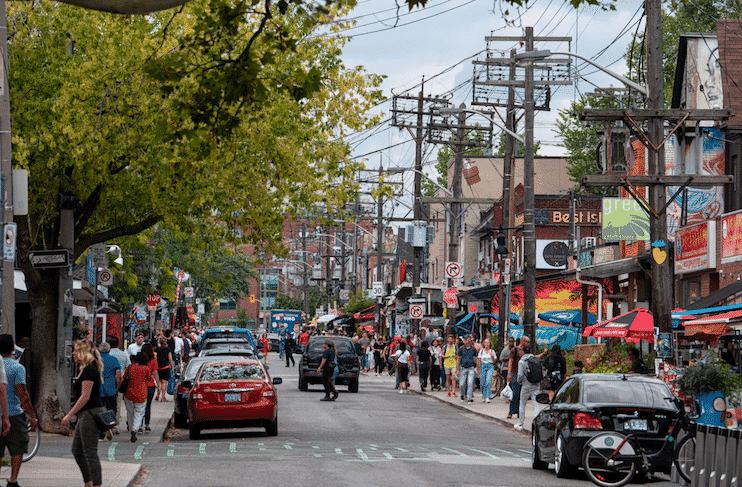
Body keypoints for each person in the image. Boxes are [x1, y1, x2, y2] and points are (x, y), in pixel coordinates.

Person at [62, 340, 105, 487]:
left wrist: (69, 415)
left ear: (83, 352)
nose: (73, 353)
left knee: (90, 453)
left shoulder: (89, 370)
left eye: (75, 351)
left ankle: (96, 484)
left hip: (90, 414)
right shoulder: (84, 369)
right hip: (85, 414)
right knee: (77, 450)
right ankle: (88, 482)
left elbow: (85, 396)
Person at [0, 335, 36, 487]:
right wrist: (32, 415)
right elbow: (22, 391)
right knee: (17, 448)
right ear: (13, 348)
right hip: (14, 413)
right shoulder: (17, 368)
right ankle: (13, 480)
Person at [123, 353, 154, 443]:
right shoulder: (146, 369)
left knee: (130, 413)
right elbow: (150, 378)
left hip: (128, 393)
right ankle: (135, 429)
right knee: (139, 413)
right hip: (141, 394)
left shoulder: (130, 367)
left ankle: (131, 429)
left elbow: (124, 377)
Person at [97, 342, 122, 439]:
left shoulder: (96, 360)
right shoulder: (113, 360)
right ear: (109, 350)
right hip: (111, 388)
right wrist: (118, 386)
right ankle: (109, 426)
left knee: (99, 409)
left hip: (98, 388)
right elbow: (118, 375)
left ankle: (101, 432)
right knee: (111, 409)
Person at [514, 345, 541, 431]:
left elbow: (520, 375)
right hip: (536, 384)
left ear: (523, 352)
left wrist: (519, 381)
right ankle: (537, 424)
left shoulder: (522, 361)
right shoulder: (536, 360)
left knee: (522, 403)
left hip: (526, 385)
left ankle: (520, 424)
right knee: (536, 404)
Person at [507, 336, 528, 419]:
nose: (528, 344)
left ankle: (519, 412)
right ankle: (511, 411)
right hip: (515, 373)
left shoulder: (526, 351)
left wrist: (542, 354)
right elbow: (510, 361)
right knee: (515, 393)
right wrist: (509, 373)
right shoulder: (515, 350)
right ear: (523, 341)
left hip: (523, 375)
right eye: (527, 342)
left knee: (521, 394)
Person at [141, 343, 157, 433]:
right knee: (148, 406)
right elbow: (155, 373)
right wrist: (158, 384)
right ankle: (147, 425)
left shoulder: (138, 360)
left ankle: (139, 425)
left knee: (139, 406)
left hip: (140, 385)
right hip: (150, 385)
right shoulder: (153, 360)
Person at [457, 334, 477, 403]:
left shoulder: (473, 349)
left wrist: (477, 369)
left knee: (470, 383)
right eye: (464, 339)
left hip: (471, 368)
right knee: (462, 384)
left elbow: (476, 358)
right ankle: (462, 395)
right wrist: (457, 369)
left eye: (466, 339)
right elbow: (458, 359)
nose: (465, 340)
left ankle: (469, 398)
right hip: (463, 368)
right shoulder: (461, 348)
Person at [477, 338, 497, 403]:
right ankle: (483, 395)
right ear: (483, 344)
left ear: (490, 344)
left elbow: (494, 361)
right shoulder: (481, 351)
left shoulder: (492, 351)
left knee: (488, 381)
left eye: (488, 343)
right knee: (482, 383)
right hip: (483, 366)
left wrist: (492, 356)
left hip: (490, 366)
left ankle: (488, 396)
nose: (486, 344)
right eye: (485, 343)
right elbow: (479, 360)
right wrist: (478, 369)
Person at [155, 336, 173, 401]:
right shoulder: (168, 349)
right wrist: (171, 367)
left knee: (159, 382)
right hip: (166, 367)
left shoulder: (157, 349)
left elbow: (155, 357)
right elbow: (170, 359)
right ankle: (163, 397)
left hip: (158, 368)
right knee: (164, 382)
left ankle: (157, 395)